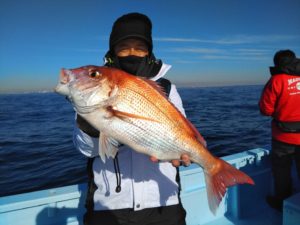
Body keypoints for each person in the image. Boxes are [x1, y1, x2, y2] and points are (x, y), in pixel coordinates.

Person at [73, 12, 191, 225]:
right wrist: (91, 125)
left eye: (139, 47)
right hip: (109, 205)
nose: (132, 53)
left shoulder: (165, 88)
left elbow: (180, 130)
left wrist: (183, 150)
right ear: (113, 51)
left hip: (164, 201)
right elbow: (86, 150)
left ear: (149, 52)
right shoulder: (95, 89)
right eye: (124, 46)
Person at [259, 49, 300, 212]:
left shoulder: (276, 80)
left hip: (283, 138)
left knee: (281, 173)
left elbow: (265, 109)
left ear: (277, 64)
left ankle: (282, 203)